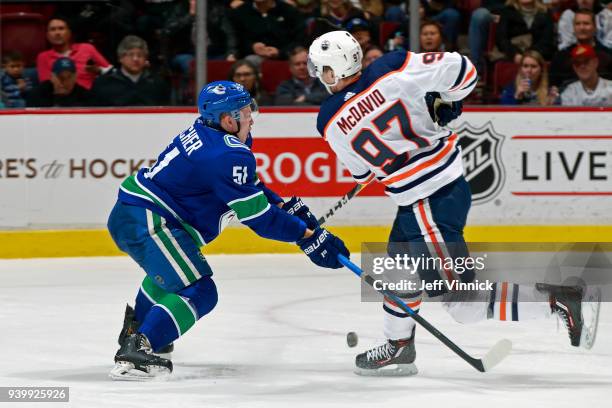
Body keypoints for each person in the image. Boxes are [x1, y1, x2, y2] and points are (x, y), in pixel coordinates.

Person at [307, 30, 600, 376]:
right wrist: (444, 100)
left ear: (333, 71)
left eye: (321, 69)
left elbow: (360, 173)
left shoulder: (328, 121)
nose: (319, 76)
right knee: (399, 272)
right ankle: (399, 345)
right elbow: (464, 70)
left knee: (464, 304)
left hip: (427, 201)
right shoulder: (392, 65)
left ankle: (561, 301)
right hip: (434, 193)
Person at [107, 80, 350, 380]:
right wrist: (307, 237)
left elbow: (251, 191)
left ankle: (138, 329)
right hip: (149, 219)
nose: (251, 116)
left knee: (176, 275)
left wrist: (287, 209)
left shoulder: (212, 135)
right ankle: (137, 348)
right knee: (200, 291)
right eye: (245, 111)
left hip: (137, 214)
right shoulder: (226, 155)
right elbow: (259, 218)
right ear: (227, 119)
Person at [91, 36, 170, 106]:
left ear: (145, 59)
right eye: (130, 55)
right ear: (120, 58)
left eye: (140, 55)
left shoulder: (158, 83)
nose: (135, 59)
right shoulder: (103, 84)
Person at [36, 16, 112, 90]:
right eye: (52, 29)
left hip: (88, 97)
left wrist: (99, 70)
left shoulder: (87, 48)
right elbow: (46, 86)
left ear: (69, 32)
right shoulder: (43, 57)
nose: (57, 33)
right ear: (47, 35)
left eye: (61, 28)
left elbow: (109, 72)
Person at [227, 0, 305, 63]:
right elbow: (237, 40)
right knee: (251, 61)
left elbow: (299, 39)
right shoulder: (241, 12)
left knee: (300, 60)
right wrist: (252, 47)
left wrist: (280, 52)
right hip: (254, 56)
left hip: (286, 55)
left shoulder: (289, 10)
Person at [550, 9, 612, 87]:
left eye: (586, 24)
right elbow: (553, 86)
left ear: (595, 27)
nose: (582, 28)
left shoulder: (608, 56)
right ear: (573, 28)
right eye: (577, 24)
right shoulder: (561, 56)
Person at [27, 57, 91, 107]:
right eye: (60, 77)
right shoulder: (37, 94)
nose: (64, 82)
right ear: (52, 77)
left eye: (69, 77)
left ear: (75, 77)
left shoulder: (86, 97)